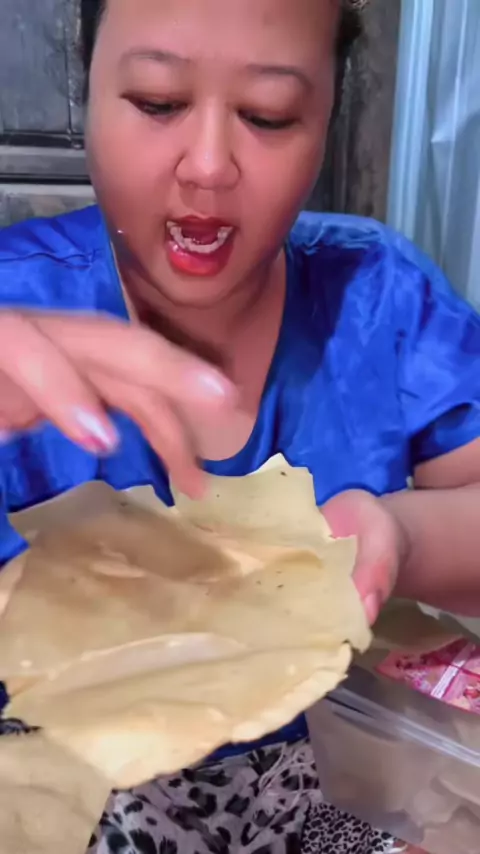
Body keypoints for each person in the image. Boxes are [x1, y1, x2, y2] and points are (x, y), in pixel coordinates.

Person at [0, 0, 479, 851]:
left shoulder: (380, 301)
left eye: (268, 115)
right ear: (89, 88)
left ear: (327, 116)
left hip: (337, 771)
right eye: (158, 102)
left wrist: (401, 535)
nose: (209, 166)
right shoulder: (15, 314)